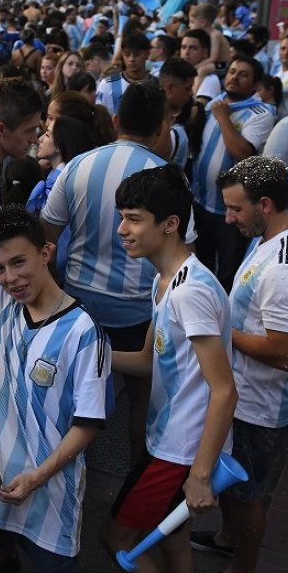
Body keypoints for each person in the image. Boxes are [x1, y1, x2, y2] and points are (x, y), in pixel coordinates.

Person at [0, 205, 110, 573]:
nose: (10, 278)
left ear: (46, 253)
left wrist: (37, 477)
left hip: (50, 493)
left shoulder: (84, 332)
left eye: (19, 262)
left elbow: (87, 425)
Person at [100, 165, 237, 573]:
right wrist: (91, 356)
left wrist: (198, 475)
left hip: (180, 451)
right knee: (173, 540)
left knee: (117, 539)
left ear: (171, 224)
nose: (123, 229)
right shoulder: (165, 280)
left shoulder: (190, 292)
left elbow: (225, 391)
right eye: (122, 216)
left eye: (134, 219)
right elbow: (146, 360)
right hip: (172, 442)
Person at [189, 156, 288, 573]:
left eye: (235, 208)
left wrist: (219, 333)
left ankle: (240, 572)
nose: (228, 218)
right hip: (244, 398)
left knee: (247, 497)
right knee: (237, 488)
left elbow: (285, 352)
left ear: (265, 204)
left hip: (258, 407)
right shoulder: (271, 240)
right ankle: (229, 539)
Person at [41, 80, 178, 463]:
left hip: (81, 305)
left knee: (71, 400)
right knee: (142, 406)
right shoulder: (169, 177)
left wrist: (57, 293)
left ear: (116, 119)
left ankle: (63, 469)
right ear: (160, 128)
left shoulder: (78, 166)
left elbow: (46, 241)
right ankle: (134, 483)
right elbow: (183, 258)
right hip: (140, 312)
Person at [191, 55, 275, 290]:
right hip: (200, 204)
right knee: (200, 268)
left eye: (243, 74)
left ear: (256, 85)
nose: (234, 77)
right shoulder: (214, 103)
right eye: (232, 71)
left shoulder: (260, 113)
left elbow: (242, 153)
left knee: (228, 273)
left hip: (232, 213)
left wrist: (223, 118)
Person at [95, 31, 152, 116]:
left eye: (137, 54)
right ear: (122, 54)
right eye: (127, 54)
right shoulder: (107, 84)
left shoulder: (157, 84)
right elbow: (100, 118)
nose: (131, 59)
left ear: (147, 54)